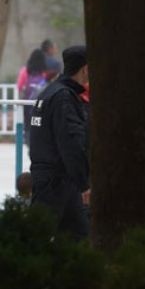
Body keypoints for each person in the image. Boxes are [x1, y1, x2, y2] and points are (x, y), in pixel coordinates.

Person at [29, 46, 90, 239]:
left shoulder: (49, 92)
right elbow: (71, 144)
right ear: (86, 69)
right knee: (38, 240)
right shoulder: (64, 98)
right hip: (56, 182)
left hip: (51, 179)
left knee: (78, 236)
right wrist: (84, 184)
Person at [19, 49, 49, 143]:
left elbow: (20, 86)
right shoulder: (45, 73)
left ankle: (29, 143)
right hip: (42, 106)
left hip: (27, 105)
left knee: (28, 127)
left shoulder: (25, 71)